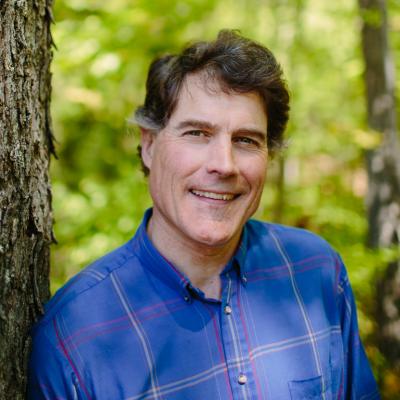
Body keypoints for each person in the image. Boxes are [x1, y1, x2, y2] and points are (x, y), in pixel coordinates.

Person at [28, 30, 380, 400]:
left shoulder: (317, 272)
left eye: (246, 140)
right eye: (197, 133)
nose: (223, 165)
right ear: (149, 146)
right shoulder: (76, 333)